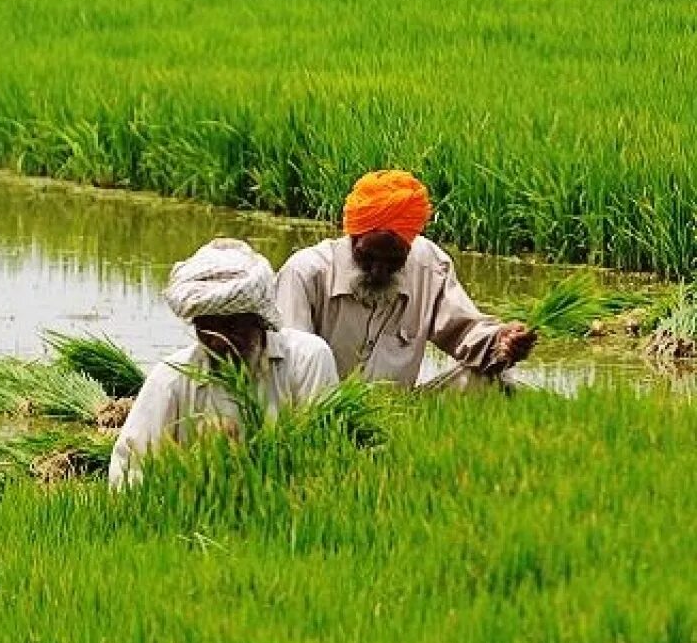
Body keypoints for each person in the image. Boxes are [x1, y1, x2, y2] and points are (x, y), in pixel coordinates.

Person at [109, 238, 338, 488]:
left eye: (231, 326)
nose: (218, 342)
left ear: (258, 319)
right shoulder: (170, 379)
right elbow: (129, 466)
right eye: (206, 328)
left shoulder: (307, 360)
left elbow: (323, 458)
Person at [275, 170, 536, 388]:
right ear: (352, 239)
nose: (379, 271)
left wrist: (502, 341)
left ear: (409, 248)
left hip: (402, 414)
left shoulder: (430, 267)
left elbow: (464, 331)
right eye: (368, 257)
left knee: (495, 380)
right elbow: (290, 367)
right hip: (321, 413)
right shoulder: (305, 274)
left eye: (393, 262)